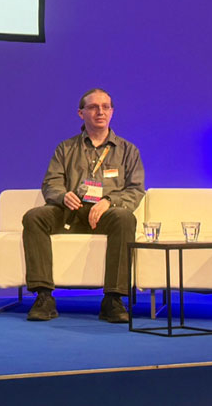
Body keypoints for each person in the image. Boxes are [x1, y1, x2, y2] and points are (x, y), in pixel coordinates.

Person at [21, 88, 145, 323]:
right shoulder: (65, 148)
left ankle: (113, 300)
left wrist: (110, 201)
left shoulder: (128, 151)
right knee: (34, 217)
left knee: (125, 218)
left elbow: (136, 190)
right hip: (70, 212)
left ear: (112, 112)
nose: (100, 112)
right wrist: (62, 196)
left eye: (105, 107)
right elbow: (51, 183)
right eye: (93, 107)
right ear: (81, 113)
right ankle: (44, 297)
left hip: (106, 214)